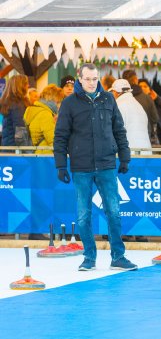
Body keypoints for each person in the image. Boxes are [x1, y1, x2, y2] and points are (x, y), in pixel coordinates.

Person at [54, 63, 137, 272]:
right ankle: (89, 257)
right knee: (83, 215)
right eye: (88, 79)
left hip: (107, 164)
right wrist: (61, 165)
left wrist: (125, 158)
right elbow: (61, 136)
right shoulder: (69, 103)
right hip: (81, 167)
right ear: (80, 79)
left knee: (114, 212)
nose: (92, 83)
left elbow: (119, 129)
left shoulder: (108, 99)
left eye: (95, 78)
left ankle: (118, 256)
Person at [109, 79, 151, 154]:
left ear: (116, 92)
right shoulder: (138, 105)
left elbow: (114, 133)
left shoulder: (119, 106)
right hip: (145, 152)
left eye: (112, 92)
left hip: (131, 153)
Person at [24, 84, 64, 154]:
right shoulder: (45, 114)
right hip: (45, 156)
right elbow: (53, 140)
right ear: (53, 99)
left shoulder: (31, 109)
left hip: (34, 154)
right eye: (58, 102)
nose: (59, 105)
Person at [122, 70, 159, 145]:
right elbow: (155, 119)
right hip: (145, 138)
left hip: (125, 140)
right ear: (136, 80)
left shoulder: (120, 99)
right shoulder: (147, 98)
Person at [138, 78, 161, 145]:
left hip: (159, 138)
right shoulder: (136, 103)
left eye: (145, 86)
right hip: (143, 138)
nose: (143, 88)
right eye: (140, 87)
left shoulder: (157, 102)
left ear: (150, 89)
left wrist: (157, 98)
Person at [0, 74, 29, 147]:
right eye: (26, 83)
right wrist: (26, 149)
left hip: (8, 143)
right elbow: (20, 128)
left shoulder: (9, 102)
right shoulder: (17, 104)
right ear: (20, 86)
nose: (28, 86)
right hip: (15, 147)